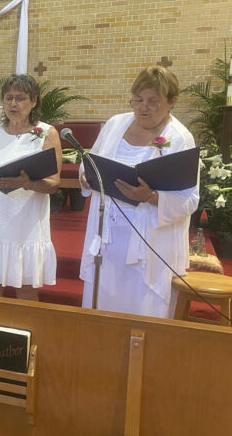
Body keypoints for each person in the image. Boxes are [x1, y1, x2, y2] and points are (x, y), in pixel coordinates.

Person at [78, 66, 198, 318]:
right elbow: (91, 161)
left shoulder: (179, 138)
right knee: (104, 303)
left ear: (172, 102)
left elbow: (189, 200)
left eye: (153, 101)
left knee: (141, 309)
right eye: (138, 100)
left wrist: (152, 197)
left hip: (149, 244)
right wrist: (86, 176)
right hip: (108, 238)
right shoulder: (115, 124)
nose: (143, 108)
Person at [0, 74, 62, 301]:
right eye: (8, 98)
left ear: (34, 101)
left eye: (21, 98)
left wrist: (28, 183)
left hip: (26, 224)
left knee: (26, 290)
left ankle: (26, 336)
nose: (13, 104)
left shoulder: (46, 133)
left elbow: (54, 184)